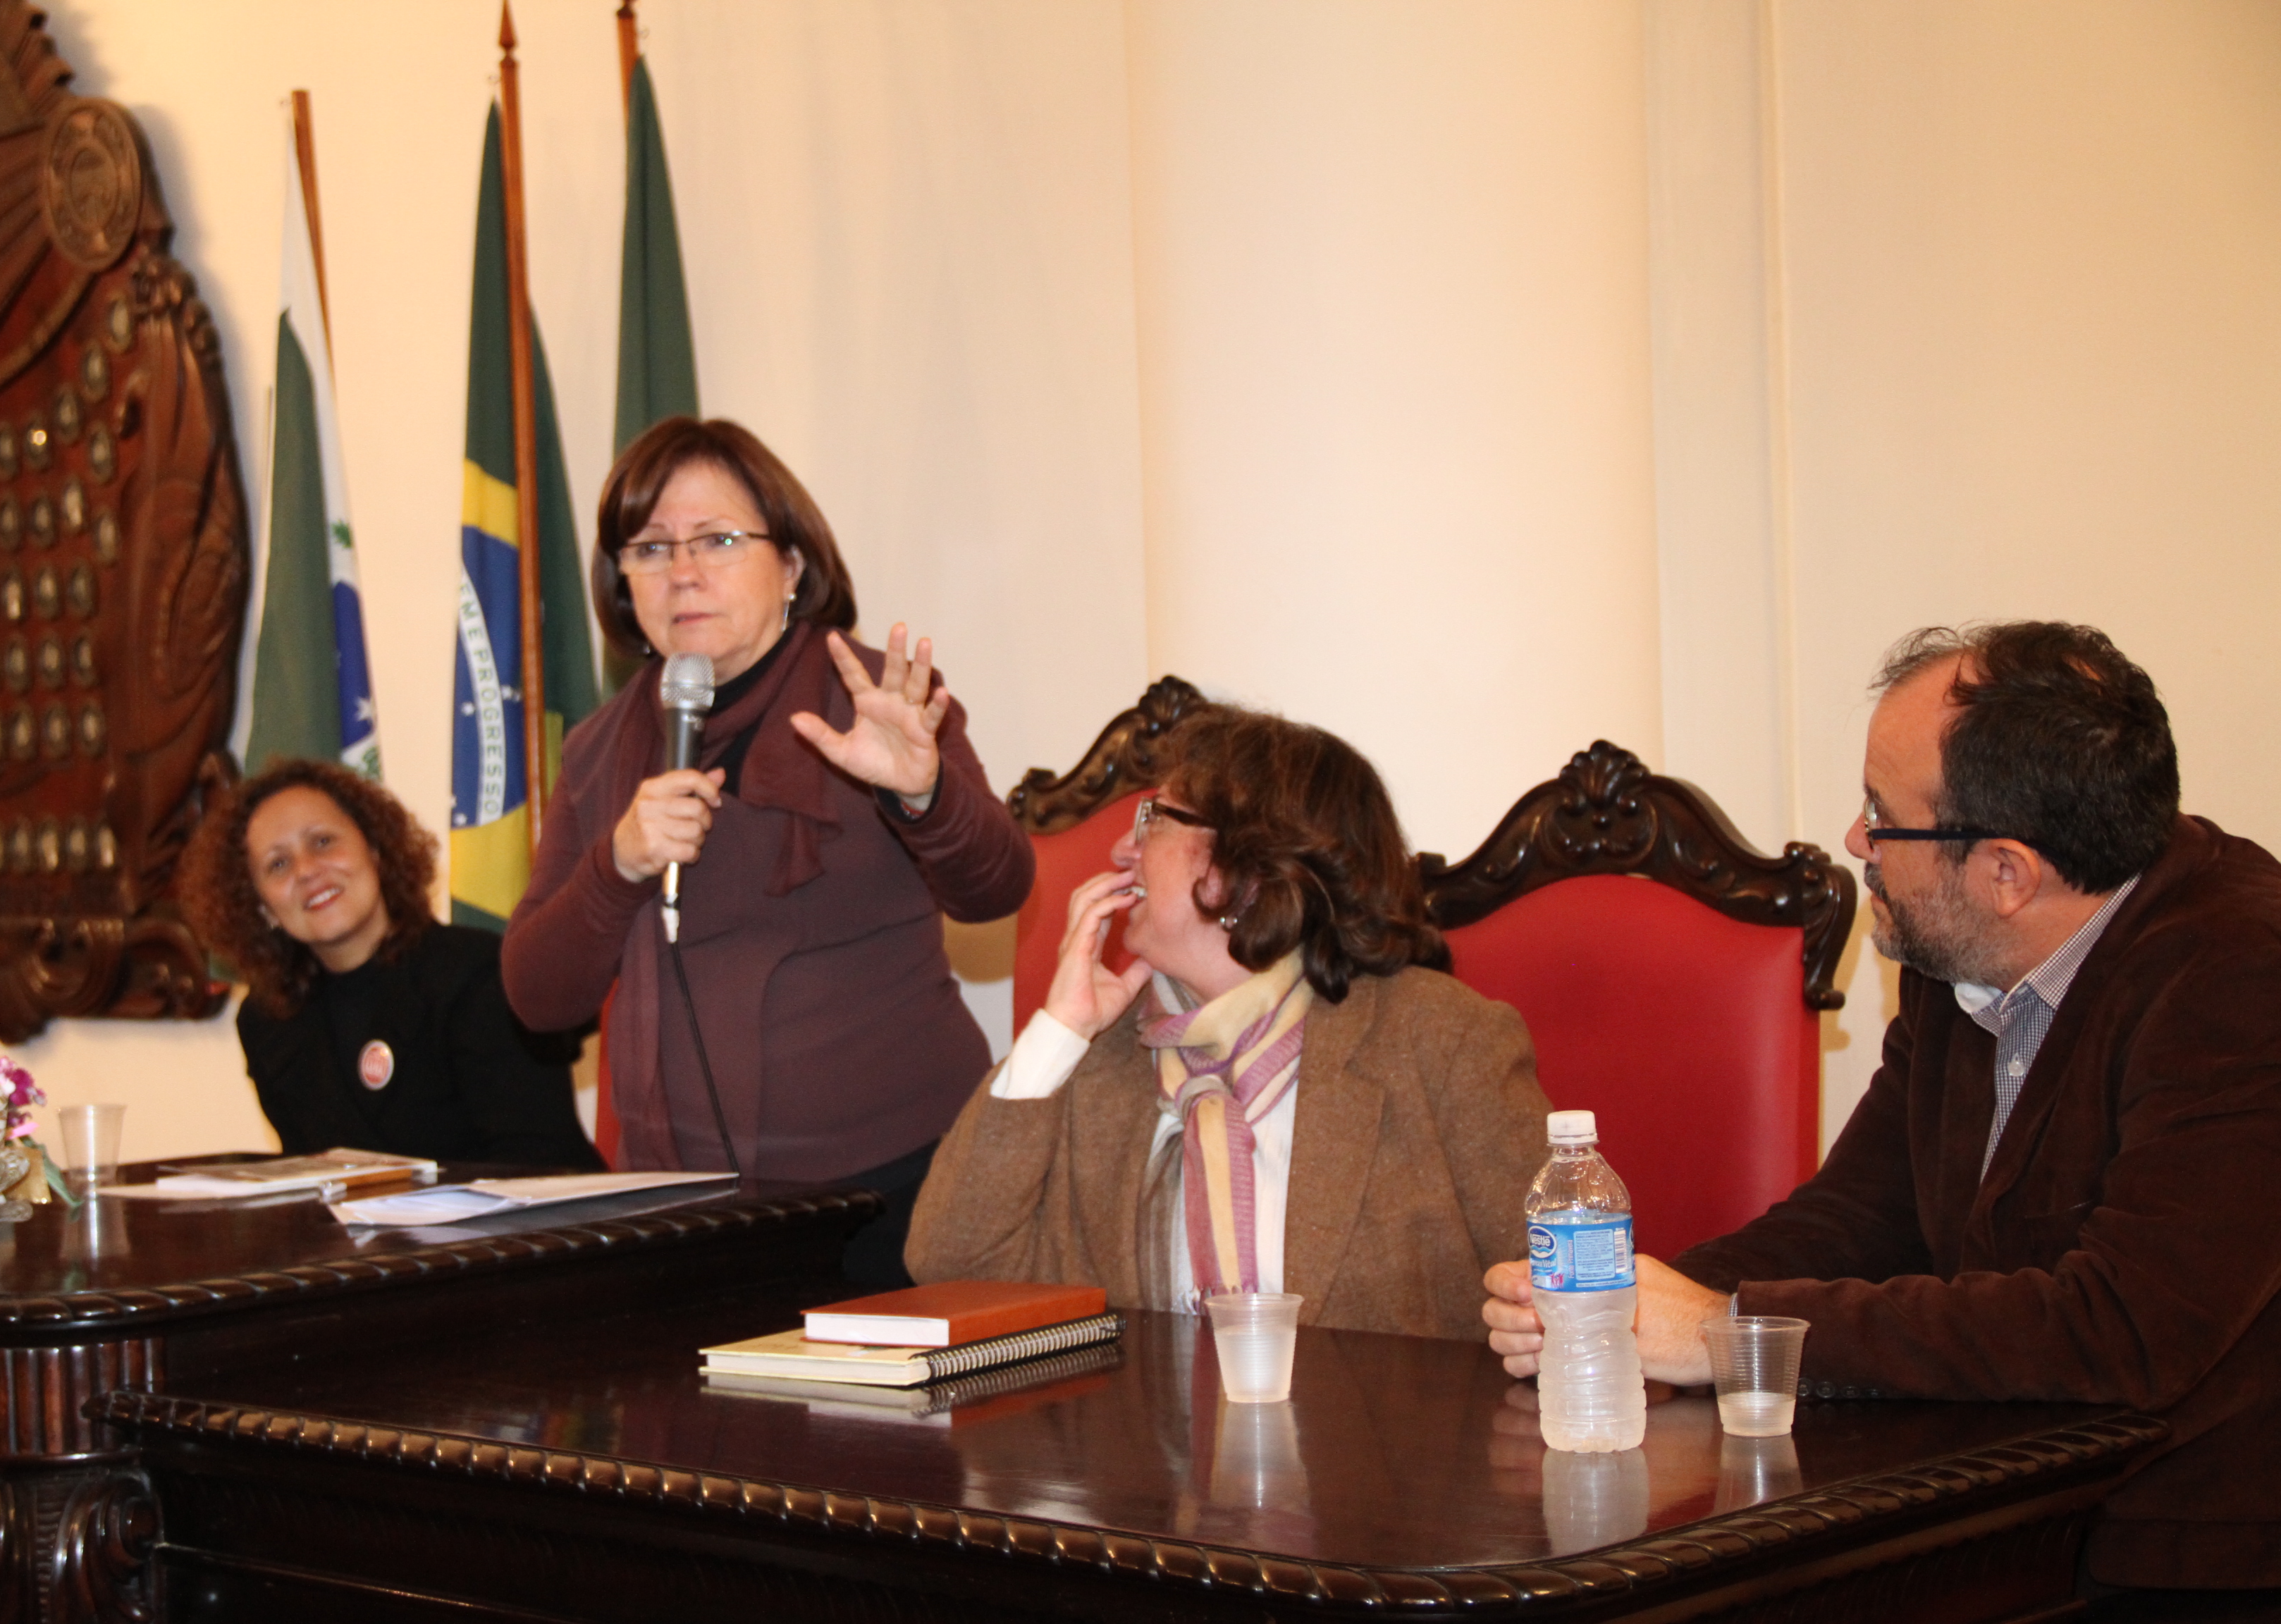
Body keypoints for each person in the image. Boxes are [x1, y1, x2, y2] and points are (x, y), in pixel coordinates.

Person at [1483, 622, 2281, 1605]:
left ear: (2007, 873)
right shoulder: (1962, 951)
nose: (1856, 841)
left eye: (1881, 815)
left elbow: (2125, 1327)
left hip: (2190, 1558)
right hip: (1997, 1510)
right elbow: (1860, 1218)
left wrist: (1728, 1330)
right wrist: (1623, 1312)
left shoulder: (2243, 974)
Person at [501, 417, 1033, 1284]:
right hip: (681, 1214)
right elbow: (536, 995)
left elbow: (997, 889)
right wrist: (617, 865)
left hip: (903, 1195)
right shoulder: (601, 750)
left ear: (790, 564)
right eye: (650, 548)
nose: (682, 572)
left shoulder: (876, 699)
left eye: (718, 540)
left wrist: (922, 793)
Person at [906, 705, 1551, 1340]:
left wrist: (1538, 1329)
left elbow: (1569, 1285)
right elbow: (951, 1270)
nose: (1121, 849)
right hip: (1146, 1417)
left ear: (1250, 864)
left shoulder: (1441, 1040)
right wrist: (1060, 1028)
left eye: (1153, 820)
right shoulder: (1093, 1055)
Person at [180, 760, 601, 1169]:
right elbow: (311, 1179)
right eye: (278, 864)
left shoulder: (480, 974)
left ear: (375, 850)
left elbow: (539, 1167)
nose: (307, 871)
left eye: (323, 842)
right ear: (261, 905)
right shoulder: (266, 1023)